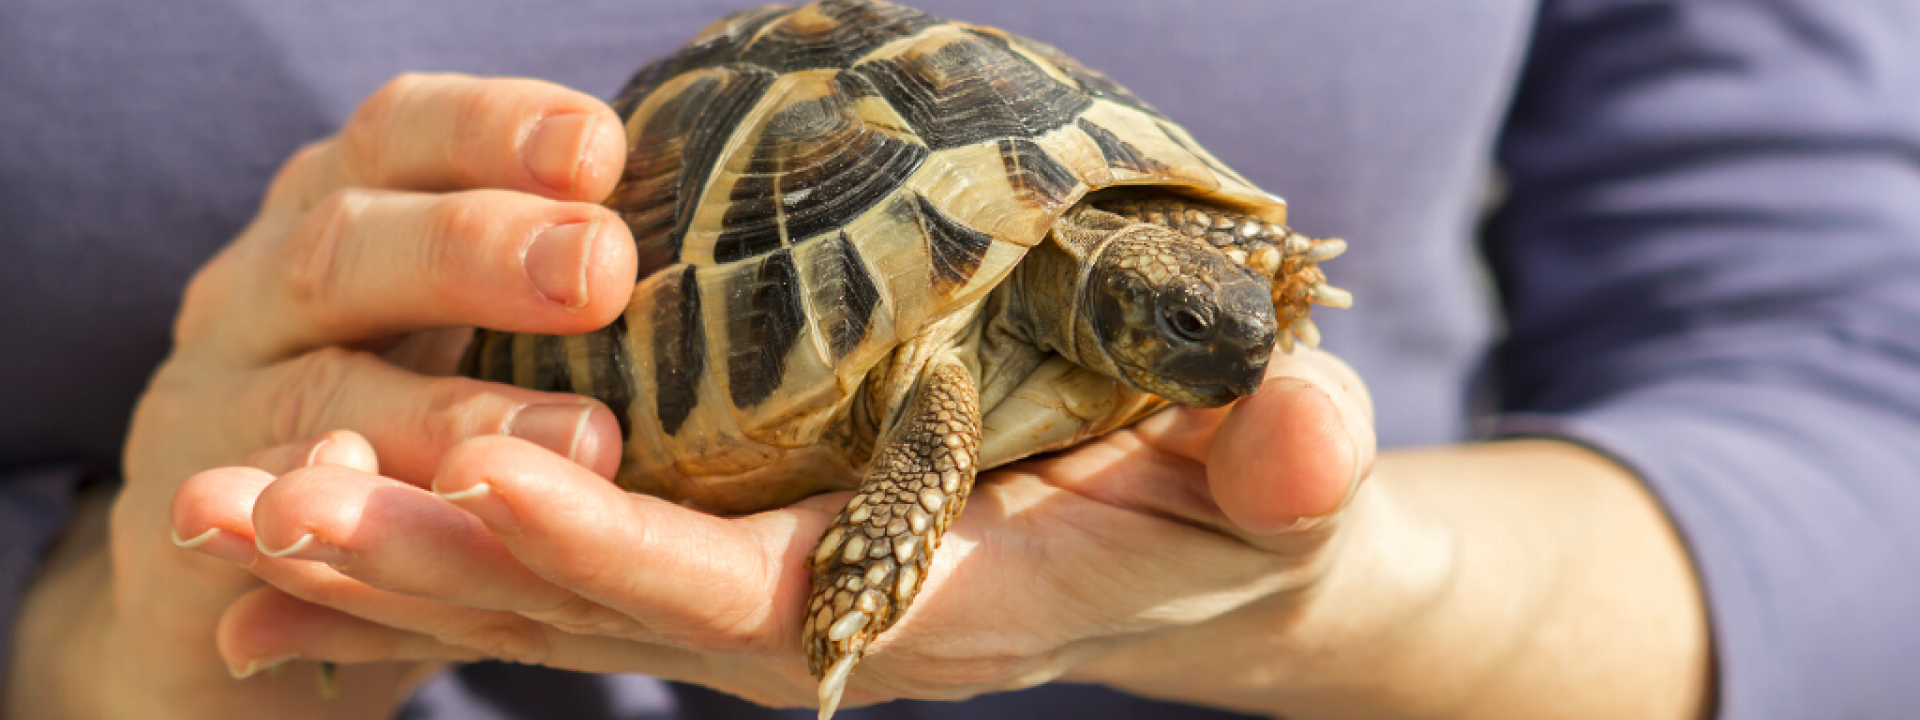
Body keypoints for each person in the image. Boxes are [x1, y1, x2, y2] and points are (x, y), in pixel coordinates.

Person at [4, 0, 1917, 718]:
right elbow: (947, 387)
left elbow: (1853, 393)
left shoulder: (1187, 284)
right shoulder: (954, 355)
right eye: (1184, 325)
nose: (1223, 353)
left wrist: (1361, 591)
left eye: (1223, 318)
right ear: (1099, 302)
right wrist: (73, 640)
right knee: (927, 406)